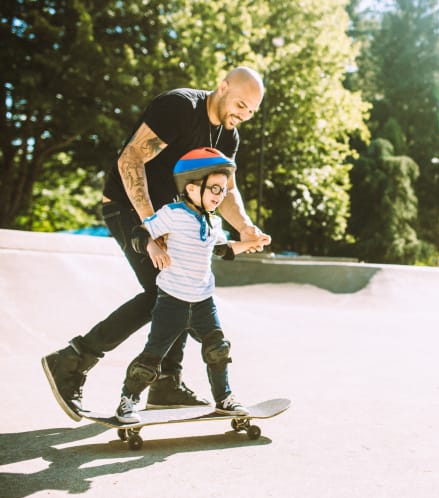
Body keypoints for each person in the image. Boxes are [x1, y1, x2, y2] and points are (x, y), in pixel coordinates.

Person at [42, 66, 268, 421]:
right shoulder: (179, 107)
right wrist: (150, 225)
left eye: (251, 111)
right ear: (222, 87)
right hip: (129, 207)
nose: (243, 115)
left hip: (174, 220)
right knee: (164, 293)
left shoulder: (228, 137)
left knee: (182, 285)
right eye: (240, 104)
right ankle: (72, 359)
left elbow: (226, 189)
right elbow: (130, 158)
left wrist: (245, 227)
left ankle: (166, 384)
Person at [116, 147, 271, 423]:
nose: (219, 196)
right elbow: (139, 233)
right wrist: (152, 246)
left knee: (217, 348)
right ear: (191, 188)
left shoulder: (213, 221)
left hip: (203, 301)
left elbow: (222, 249)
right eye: (214, 188)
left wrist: (250, 242)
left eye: (223, 190)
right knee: (154, 355)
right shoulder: (173, 213)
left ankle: (224, 397)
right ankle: (128, 400)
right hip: (172, 301)